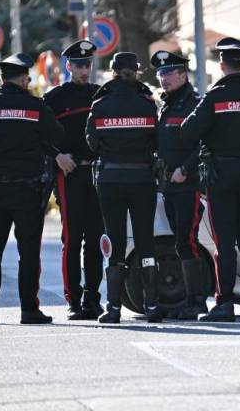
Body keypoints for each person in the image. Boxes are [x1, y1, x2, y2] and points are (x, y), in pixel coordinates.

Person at [0, 53, 64, 325]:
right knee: (28, 253)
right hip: (29, 193)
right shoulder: (35, 108)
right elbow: (57, 136)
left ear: (0, 79)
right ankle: (29, 310)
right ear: (22, 79)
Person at [180, 37, 240, 322]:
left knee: (225, 241)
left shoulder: (214, 98)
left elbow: (187, 132)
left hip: (221, 176)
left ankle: (225, 304)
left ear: (222, 65)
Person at [85, 52, 161, 323]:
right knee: (145, 241)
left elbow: (91, 143)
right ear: (137, 72)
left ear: (113, 71)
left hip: (111, 181)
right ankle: (152, 306)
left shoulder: (101, 103)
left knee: (114, 242)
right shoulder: (148, 103)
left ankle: (114, 308)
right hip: (142, 180)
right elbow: (158, 142)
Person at [43, 40, 104, 320]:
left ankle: (94, 298)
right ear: (68, 66)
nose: (84, 69)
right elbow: (38, 136)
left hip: (96, 173)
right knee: (72, 238)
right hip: (70, 174)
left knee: (95, 239)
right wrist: (57, 157)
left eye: (88, 64)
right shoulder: (55, 99)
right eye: (79, 65)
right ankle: (74, 301)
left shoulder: (100, 95)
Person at [150, 50, 207, 319]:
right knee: (179, 242)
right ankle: (188, 299)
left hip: (189, 185)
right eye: (160, 73)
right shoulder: (167, 105)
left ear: (183, 74)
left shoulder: (194, 104)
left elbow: (206, 144)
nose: (163, 78)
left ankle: (196, 301)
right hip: (169, 186)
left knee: (188, 242)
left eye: (169, 72)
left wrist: (186, 169)